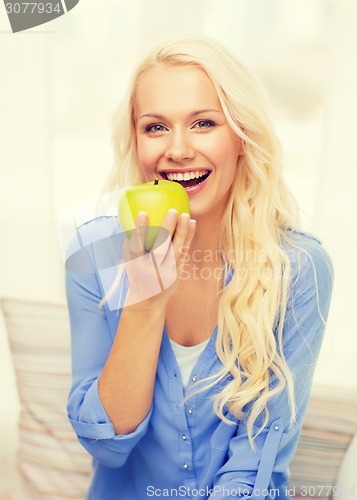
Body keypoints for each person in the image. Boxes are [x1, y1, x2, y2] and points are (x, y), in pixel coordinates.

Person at [65, 36, 334, 500]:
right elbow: (105, 445)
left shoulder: (298, 268)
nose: (179, 149)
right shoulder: (95, 253)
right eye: (155, 127)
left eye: (204, 123)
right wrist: (145, 305)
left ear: (242, 137)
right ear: (136, 141)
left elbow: (253, 471)